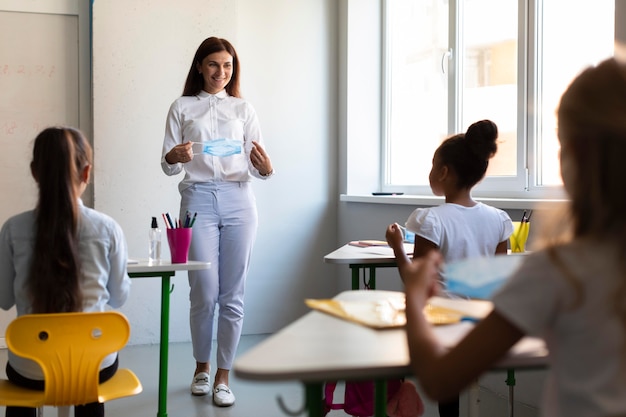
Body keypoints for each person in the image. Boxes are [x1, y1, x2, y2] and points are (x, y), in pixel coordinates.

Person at [385, 57, 626, 417]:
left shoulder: (560, 269)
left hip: (445, 319)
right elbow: (491, 278)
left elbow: (438, 380)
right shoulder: (499, 220)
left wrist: (417, 293)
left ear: (572, 155)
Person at [160, 36, 274, 407]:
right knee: (203, 292)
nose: (220, 73)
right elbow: (167, 165)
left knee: (232, 294)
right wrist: (173, 156)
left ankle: (224, 377)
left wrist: (267, 169)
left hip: (239, 200)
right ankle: (201, 368)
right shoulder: (181, 107)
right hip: (197, 199)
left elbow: (260, 166)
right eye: (213, 64)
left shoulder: (243, 109)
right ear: (199, 66)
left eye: (227, 66)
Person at [0, 126, 131, 417]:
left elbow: (4, 298)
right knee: (89, 375)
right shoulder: (108, 229)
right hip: (94, 367)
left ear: (35, 172)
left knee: (24, 376)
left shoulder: (13, 229)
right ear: (87, 173)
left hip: (30, 370)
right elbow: (119, 297)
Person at [393, 119, 513, 417]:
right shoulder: (499, 219)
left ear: (443, 172)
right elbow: (498, 279)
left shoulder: (431, 220)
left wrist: (397, 246)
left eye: (433, 165)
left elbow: (415, 283)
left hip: (441, 321)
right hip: (482, 323)